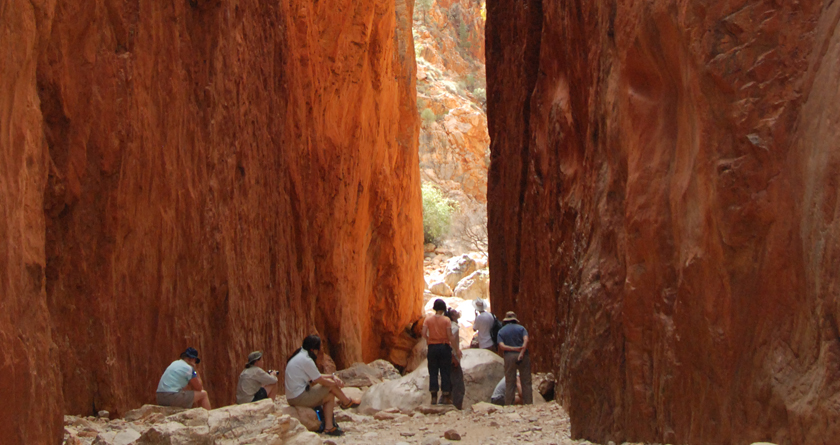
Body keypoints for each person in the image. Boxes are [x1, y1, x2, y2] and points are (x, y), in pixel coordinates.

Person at [285, 335, 360, 437]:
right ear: (313, 349)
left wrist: (332, 376)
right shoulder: (306, 360)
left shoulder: (300, 355)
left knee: (329, 396)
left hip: (294, 396)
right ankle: (346, 402)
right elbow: (320, 380)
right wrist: (335, 384)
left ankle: (329, 427)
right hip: (298, 397)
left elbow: (316, 377)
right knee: (330, 387)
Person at [497, 311, 532, 405]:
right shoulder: (522, 328)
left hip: (509, 356)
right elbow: (526, 340)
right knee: (526, 381)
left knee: (510, 382)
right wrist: (521, 351)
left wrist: (513, 349)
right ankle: (528, 403)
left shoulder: (501, 331)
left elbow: (502, 346)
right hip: (523, 355)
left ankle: (509, 404)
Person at [423, 298, 454, 405]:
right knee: (445, 371)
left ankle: (434, 397)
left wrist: (429, 340)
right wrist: (454, 346)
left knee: (433, 372)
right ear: (443, 309)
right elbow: (449, 335)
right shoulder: (447, 320)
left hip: (432, 347)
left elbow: (423, 333)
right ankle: (446, 397)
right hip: (444, 347)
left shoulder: (428, 320)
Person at [447, 308, 465, 409]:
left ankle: (443, 406)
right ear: (452, 316)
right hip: (452, 360)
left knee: (449, 385)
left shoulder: (447, 326)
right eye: (455, 313)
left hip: (446, 359)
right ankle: (457, 408)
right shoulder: (453, 327)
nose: (457, 313)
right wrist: (453, 356)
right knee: (459, 386)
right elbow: (449, 341)